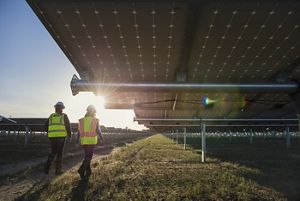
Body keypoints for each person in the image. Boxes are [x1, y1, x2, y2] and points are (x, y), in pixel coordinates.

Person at [44, 101, 71, 175]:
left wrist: (50, 133)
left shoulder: (51, 116)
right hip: (61, 137)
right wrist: (70, 136)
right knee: (59, 154)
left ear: (55, 108)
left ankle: (46, 168)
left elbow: (46, 126)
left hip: (52, 138)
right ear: (62, 108)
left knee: (53, 152)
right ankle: (58, 171)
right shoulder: (64, 116)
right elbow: (68, 126)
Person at [77, 105, 103, 179]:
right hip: (91, 141)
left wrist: (76, 140)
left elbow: (78, 132)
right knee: (89, 156)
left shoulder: (81, 120)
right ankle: (82, 169)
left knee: (86, 156)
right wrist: (101, 138)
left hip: (84, 141)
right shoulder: (95, 120)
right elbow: (98, 130)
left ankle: (88, 172)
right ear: (93, 111)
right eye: (94, 112)